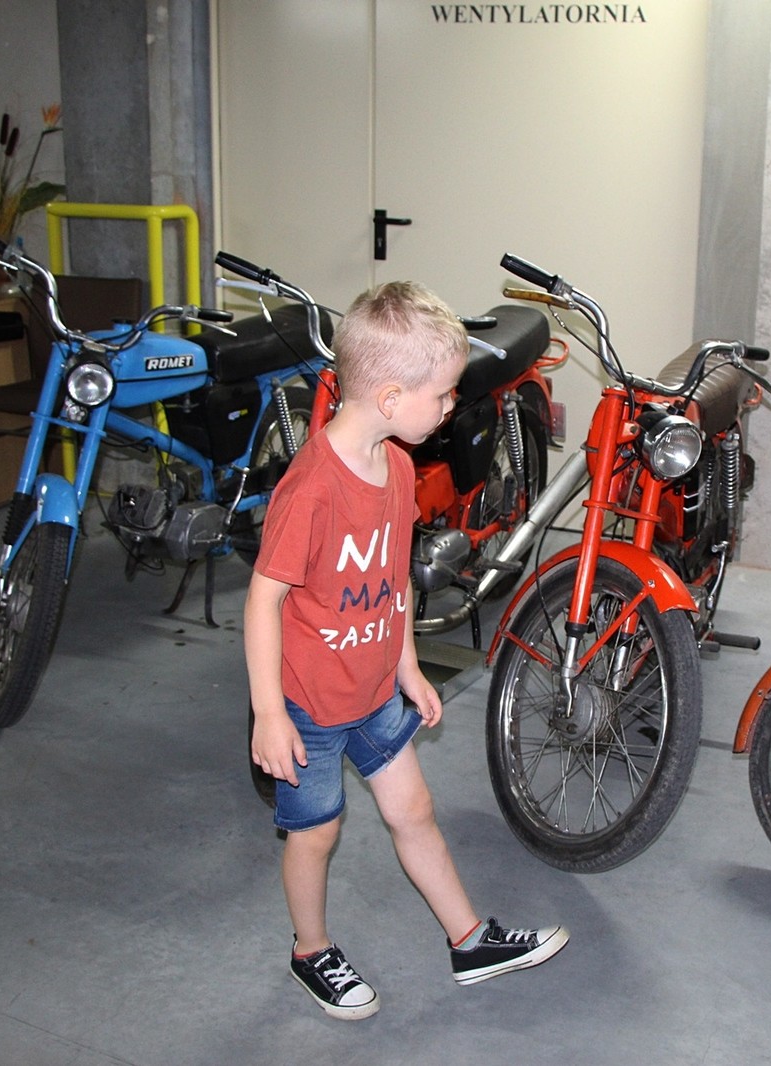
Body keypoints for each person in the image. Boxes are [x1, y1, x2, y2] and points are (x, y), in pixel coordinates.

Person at [243, 280, 568, 1021]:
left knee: (413, 809)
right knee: (317, 833)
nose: (451, 406)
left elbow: (391, 580)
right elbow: (263, 600)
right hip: (311, 704)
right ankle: (310, 950)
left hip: (373, 690)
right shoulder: (311, 489)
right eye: (444, 394)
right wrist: (270, 714)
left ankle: (469, 940)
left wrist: (408, 667)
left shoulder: (394, 468)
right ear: (391, 397)